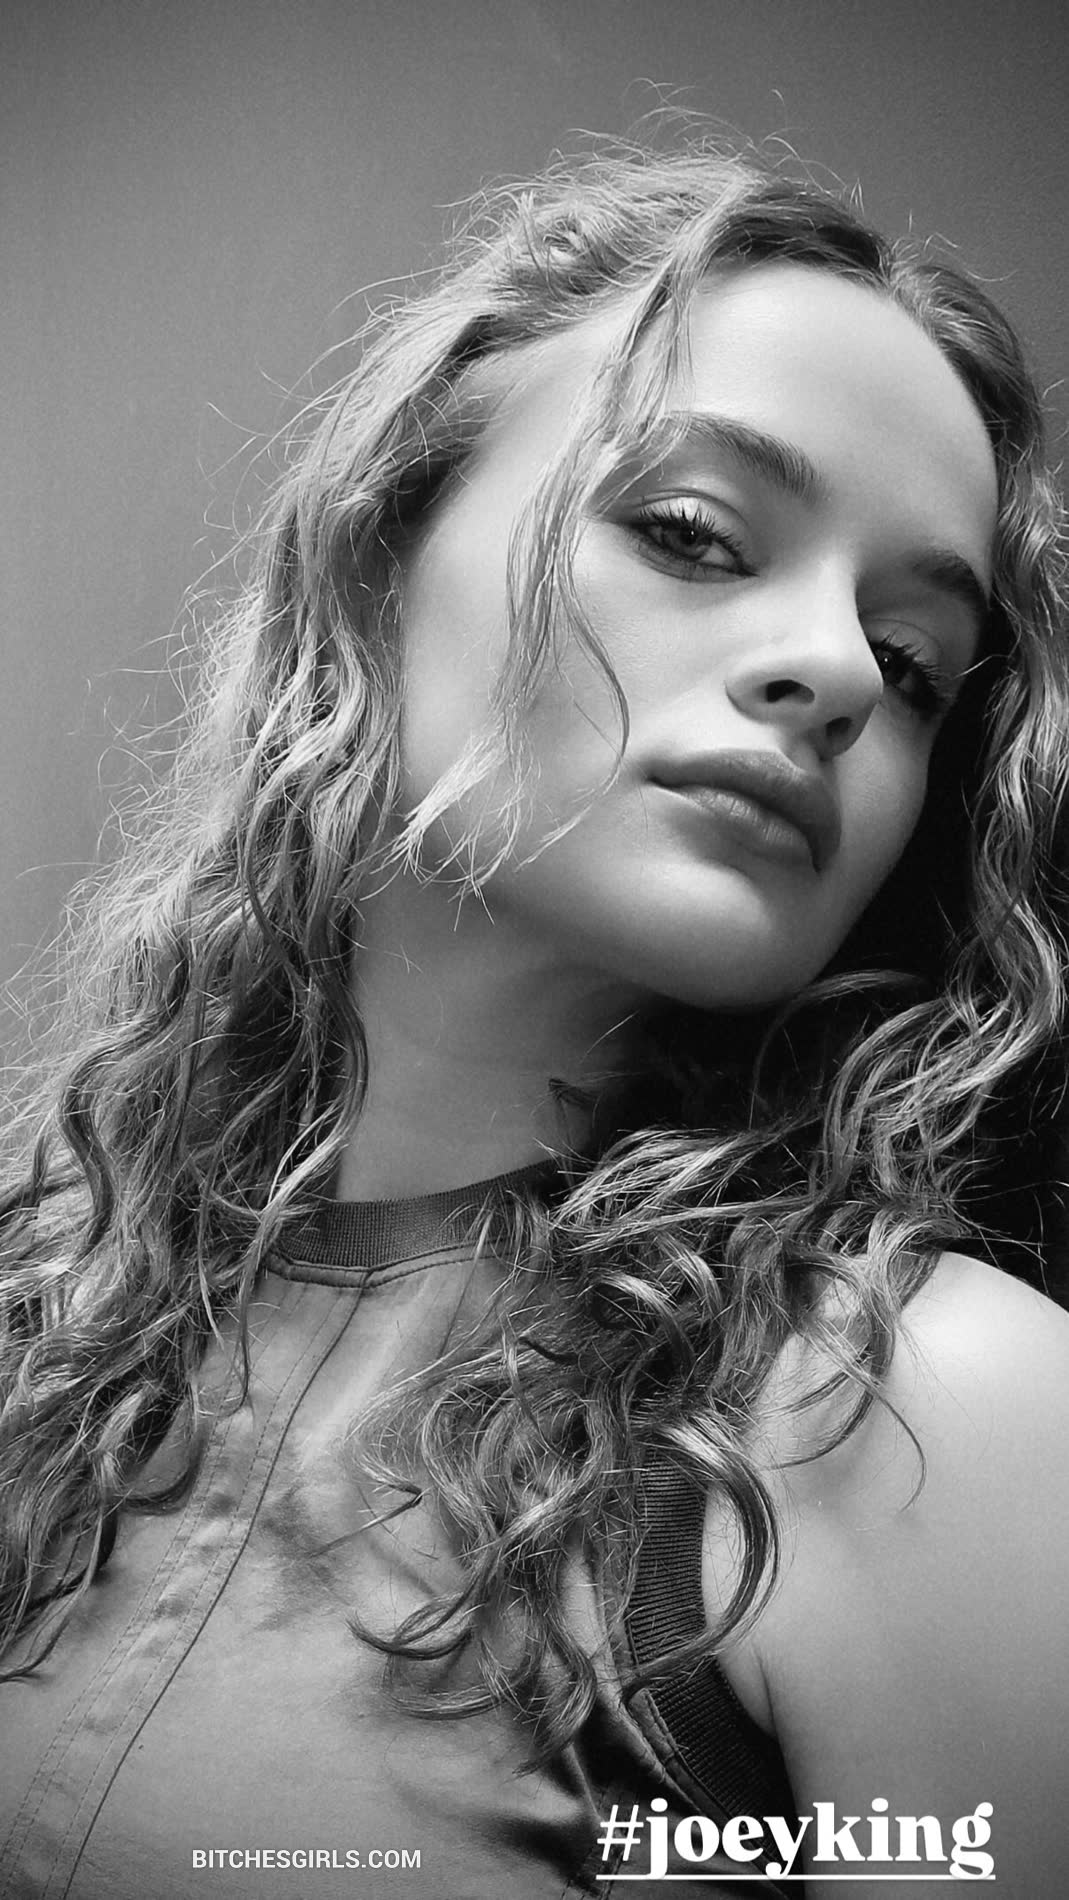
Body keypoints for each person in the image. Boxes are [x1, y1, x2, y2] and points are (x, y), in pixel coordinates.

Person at [1, 138, 1068, 1900]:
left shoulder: (914, 1414)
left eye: (910, 664)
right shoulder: (56, 1296)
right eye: (693, 534)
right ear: (377, 558)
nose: (830, 671)